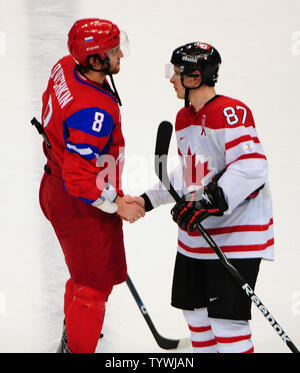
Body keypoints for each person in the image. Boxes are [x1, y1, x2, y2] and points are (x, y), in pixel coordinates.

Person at [126, 42, 274, 353]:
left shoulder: (231, 111)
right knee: (195, 316)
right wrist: (147, 200)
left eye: (174, 72)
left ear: (194, 76)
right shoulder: (185, 118)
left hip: (236, 238)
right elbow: (192, 173)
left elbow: (251, 168)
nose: (171, 79)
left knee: (227, 324)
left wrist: (207, 201)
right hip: (197, 240)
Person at [38, 18, 145, 353]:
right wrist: (117, 203)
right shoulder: (93, 111)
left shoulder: (66, 65)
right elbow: (79, 177)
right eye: (113, 51)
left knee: (83, 275)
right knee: (93, 288)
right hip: (80, 203)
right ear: (96, 61)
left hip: (54, 185)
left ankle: (71, 342)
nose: (120, 56)